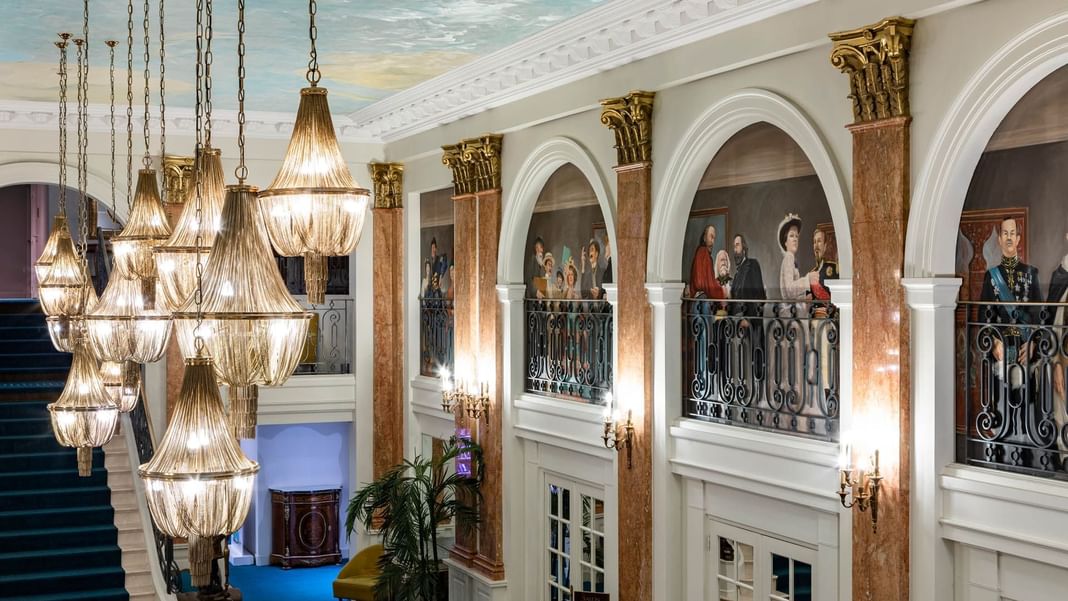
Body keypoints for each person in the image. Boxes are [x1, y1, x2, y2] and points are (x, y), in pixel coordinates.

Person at [980, 217, 1042, 444]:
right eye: (1004, 233)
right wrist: (995, 342)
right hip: (1001, 353)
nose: (1008, 237)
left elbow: (1041, 317)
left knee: (1026, 413)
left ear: (1018, 239)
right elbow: (982, 318)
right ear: (999, 239)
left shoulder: (1031, 274)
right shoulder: (991, 277)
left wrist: (1034, 342)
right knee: (1002, 411)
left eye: (1012, 233)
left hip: (1026, 350)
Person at [1047, 231, 1068, 454]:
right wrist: (1056, 364)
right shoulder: (1061, 276)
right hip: (1064, 360)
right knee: (1062, 412)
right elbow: (1054, 325)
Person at [777, 214, 811, 301]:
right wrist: (808, 280)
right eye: (791, 236)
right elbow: (790, 290)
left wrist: (804, 298)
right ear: (785, 242)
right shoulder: (789, 258)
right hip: (789, 311)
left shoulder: (791, 258)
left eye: (797, 236)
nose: (795, 239)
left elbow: (792, 295)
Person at [687, 224, 725, 299]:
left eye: (714, 238)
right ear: (704, 238)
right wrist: (722, 290)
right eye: (711, 236)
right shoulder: (703, 252)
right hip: (702, 299)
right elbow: (703, 283)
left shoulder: (701, 252)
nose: (713, 241)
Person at [808, 229, 838, 302]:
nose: (816, 245)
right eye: (814, 242)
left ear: (825, 246)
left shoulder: (833, 268)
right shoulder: (812, 272)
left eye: (819, 241)